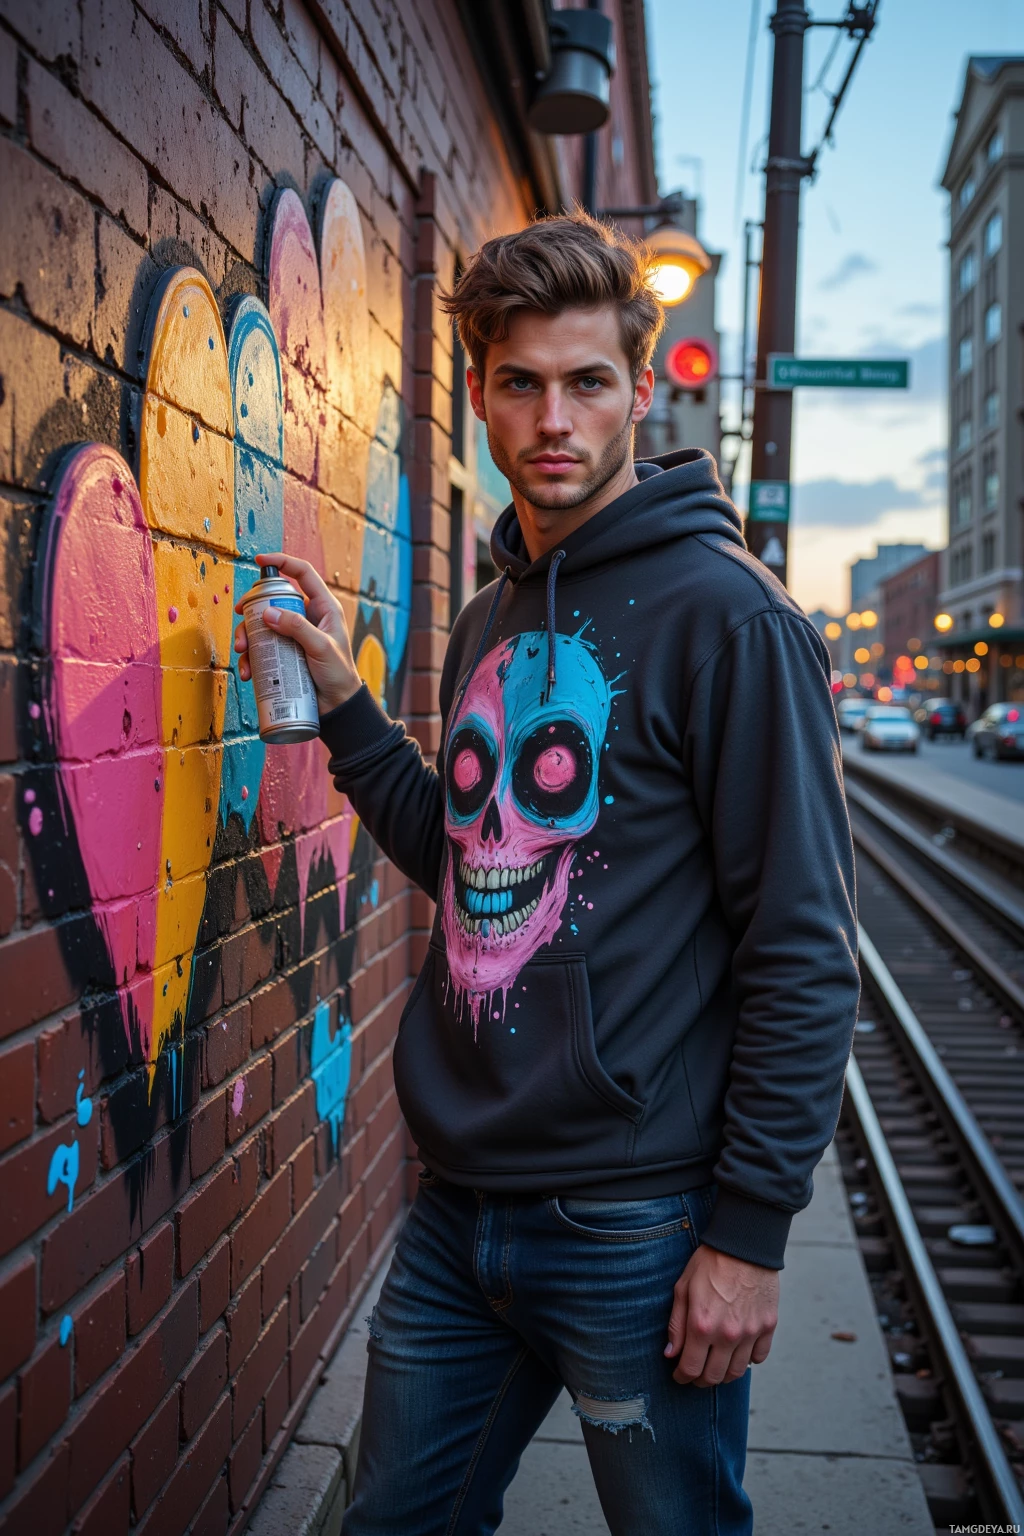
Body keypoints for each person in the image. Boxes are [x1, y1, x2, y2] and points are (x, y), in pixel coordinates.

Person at [233, 212, 859, 1536]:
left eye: (587, 381)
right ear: (478, 396)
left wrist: (748, 1236)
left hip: (636, 1225)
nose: (553, 418)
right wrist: (349, 707)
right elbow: (472, 868)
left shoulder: (733, 621)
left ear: (643, 383)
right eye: (520, 383)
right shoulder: (489, 614)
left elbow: (801, 948)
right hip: (459, 1214)